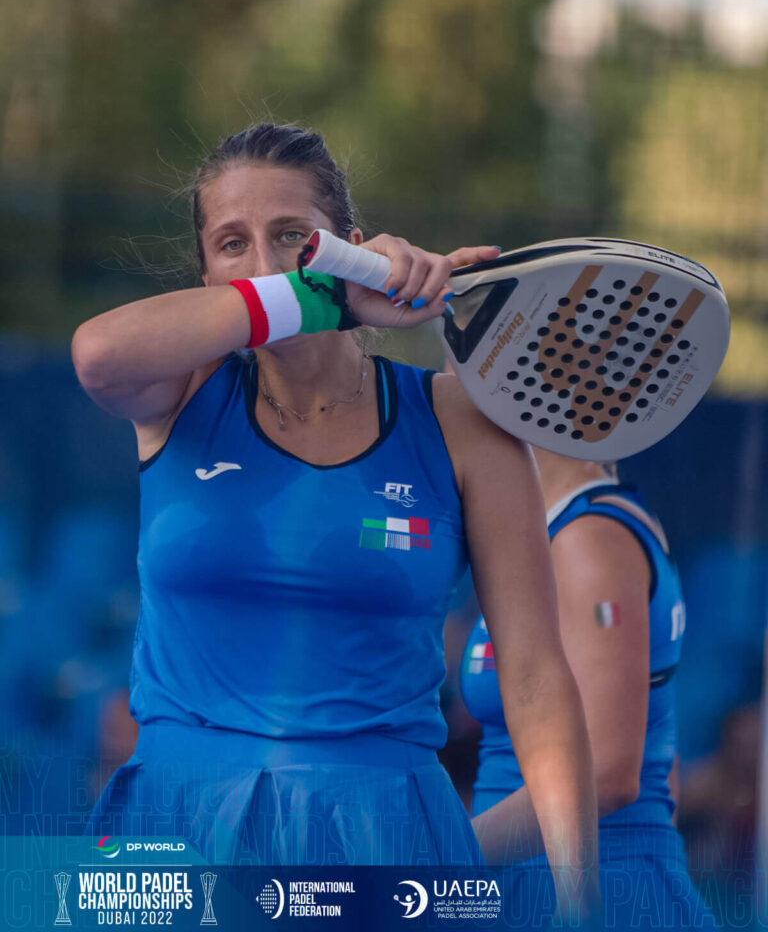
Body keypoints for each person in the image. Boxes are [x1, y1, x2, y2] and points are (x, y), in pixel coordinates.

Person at [72, 123, 600, 906]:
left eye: (293, 237)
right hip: (176, 829)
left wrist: (581, 902)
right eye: (232, 244)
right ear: (207, 275)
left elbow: (534, 677)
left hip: (382, 837)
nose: (264, 263)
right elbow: (97, 354)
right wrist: (318, 296)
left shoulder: (459, 420)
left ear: (354, 250)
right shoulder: (177, 392)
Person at [461, 448, 720, 928]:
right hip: (534, 887)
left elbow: (605, 774)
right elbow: (659, 757)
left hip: (597, 893)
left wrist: (440, 857)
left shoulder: (591, 538)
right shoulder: (561, 530)